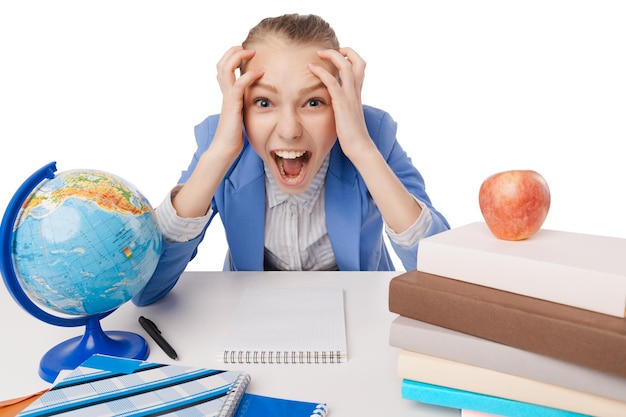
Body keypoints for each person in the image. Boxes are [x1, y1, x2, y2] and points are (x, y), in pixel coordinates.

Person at [133, 13, 449, 306]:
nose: (289, 130)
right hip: (251, 311)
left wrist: (361, 149)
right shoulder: (218, 143)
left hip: (359, 311)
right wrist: (217, 156)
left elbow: (444, 276)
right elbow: (146, 290)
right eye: (263, 102)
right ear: (241, 108)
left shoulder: (375, 135)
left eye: (314, 102)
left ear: (342, 102)